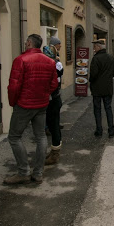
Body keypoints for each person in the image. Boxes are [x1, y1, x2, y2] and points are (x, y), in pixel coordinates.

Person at [5, 34, 58, 185]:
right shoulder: (50, 61)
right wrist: (44, 94)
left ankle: (23, 172)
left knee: (14, 137)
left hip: (24, 104)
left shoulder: (20, 60)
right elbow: (54, 84)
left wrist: (13, 102)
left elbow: (14, 86)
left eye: (25, 42)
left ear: (29, 43)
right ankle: (38, 173)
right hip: (41, 104)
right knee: (41, 136)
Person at [89, 38, 114, 138]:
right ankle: (111, 130)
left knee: (97, 109)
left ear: (98, 47)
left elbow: (93, 74)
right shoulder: (110, 57)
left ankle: (99, 130)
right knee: (108, 108)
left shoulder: (96, 58)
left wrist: (91, 81)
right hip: (108, 87)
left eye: (95, 47)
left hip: (97, 88)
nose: (94, 48)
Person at [43, 36, 64, 165]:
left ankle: (54, 153)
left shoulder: (53, 65)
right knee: (53, 125)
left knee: (53, 125)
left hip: (52, 98)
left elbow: (53, 83)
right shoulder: (55, 64)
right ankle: (54, 151)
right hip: (54, 97)